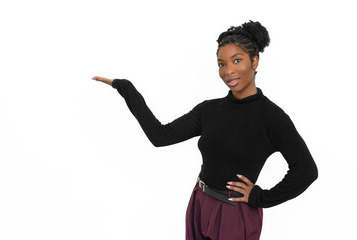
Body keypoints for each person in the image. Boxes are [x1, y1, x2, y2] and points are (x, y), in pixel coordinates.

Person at [92, 20, 318, 240]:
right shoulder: (209, 110)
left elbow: (306, 170)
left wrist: (261, 197)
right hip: (200, 202)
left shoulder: (272, 118)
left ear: (255, 61)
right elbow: (160, 136)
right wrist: (126, 89)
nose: (229, 71)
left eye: (237, 60)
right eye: (222, 64)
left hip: (235, 213)